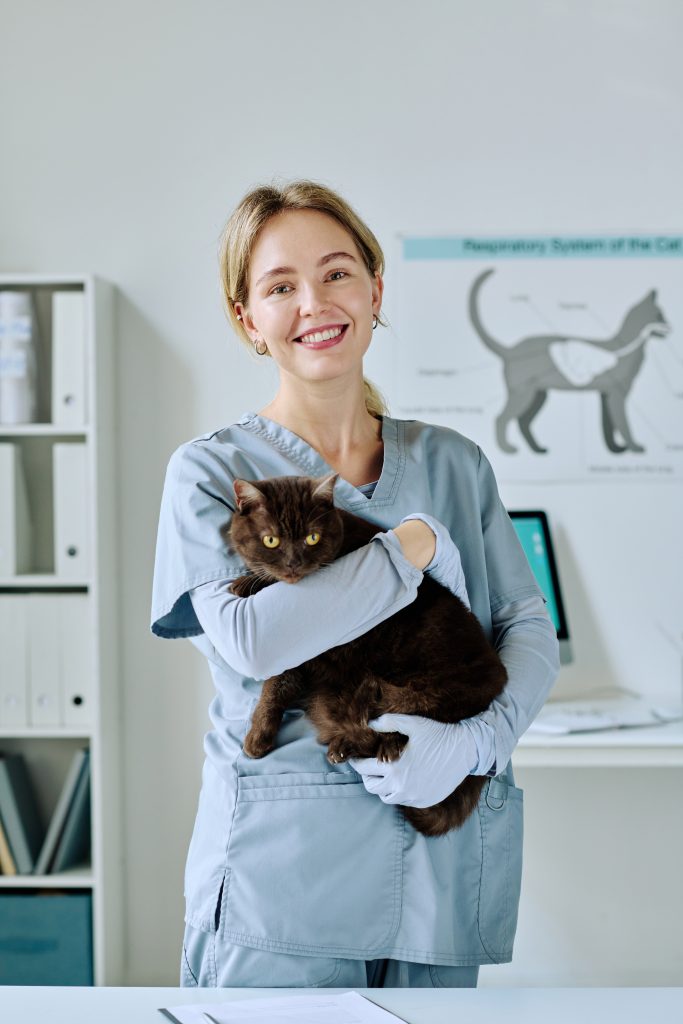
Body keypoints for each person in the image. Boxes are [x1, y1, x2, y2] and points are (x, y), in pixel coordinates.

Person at [151, 180, 559, 989]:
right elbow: (254, 638)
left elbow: (527, 627)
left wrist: (477, 743)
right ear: (247, 319)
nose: (314, 302)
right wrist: (407, 549)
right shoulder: (210, 471)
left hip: (436, 875)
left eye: (337, 273)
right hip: (283, 886)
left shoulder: (454, 462)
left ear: (375, 290)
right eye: (279, 286)